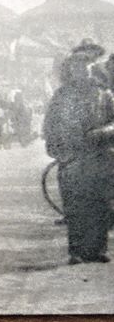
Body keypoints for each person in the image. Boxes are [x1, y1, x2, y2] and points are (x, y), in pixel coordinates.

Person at [43, 47, 114, 264]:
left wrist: (103, 132)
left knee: (100, 203)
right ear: (71, 71)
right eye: (77, 68)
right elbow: (50, 125)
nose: (82, 72)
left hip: (100, 156)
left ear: (92, 69)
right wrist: (57, 150)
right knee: (74, 205)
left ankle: (98, 249)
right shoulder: (61, 96)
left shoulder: (105, 94)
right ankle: (76, 251)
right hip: (72, 158)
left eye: (86, 68)